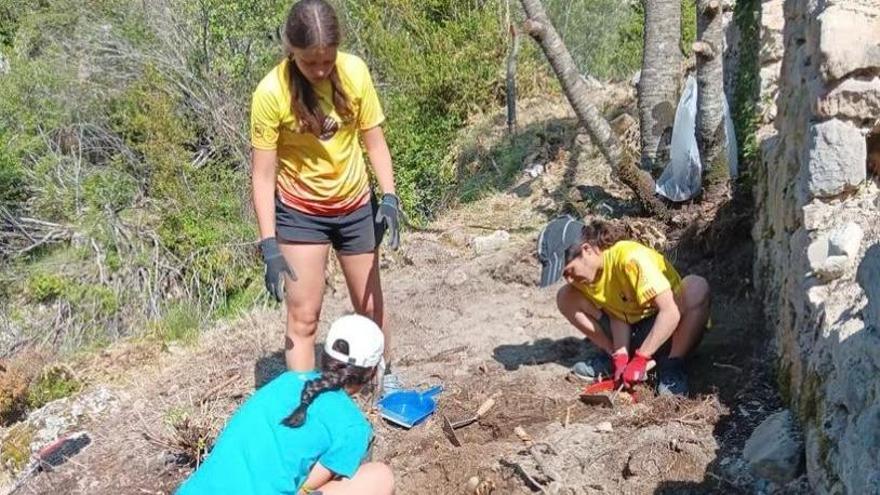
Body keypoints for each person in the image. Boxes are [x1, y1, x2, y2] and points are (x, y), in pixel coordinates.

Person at [250, 0, 403, 392]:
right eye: (309, 63)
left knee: (369, 305)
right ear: (291, 51)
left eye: (326, 61)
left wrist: (388, 197)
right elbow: (263, 174)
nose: (319, 70)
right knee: (304, 317)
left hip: (354, 206)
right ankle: (304, 400)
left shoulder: (354, 72)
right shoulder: (271, 93)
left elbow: (376, 143)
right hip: (301, 214)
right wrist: (269, 244)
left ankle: (386, 377)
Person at [176, 314, 395, 495]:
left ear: (324, 357)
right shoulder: (353, 426)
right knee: (379, 477)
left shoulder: (286, 381)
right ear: (371, 372)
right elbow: (306, 488)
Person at [537, 215, 711, 395]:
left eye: (570, 271)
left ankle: (672, 366)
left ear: (587, 249)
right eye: (565, 276)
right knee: (565, 296)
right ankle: (613, 360)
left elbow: (670, 313)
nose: (570, 279)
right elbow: (617, 315)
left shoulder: (629, 259)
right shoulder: (587, 276)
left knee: (696, 287)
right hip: (635, 329)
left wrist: (641, 358)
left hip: (672, 330)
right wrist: (620, 355)